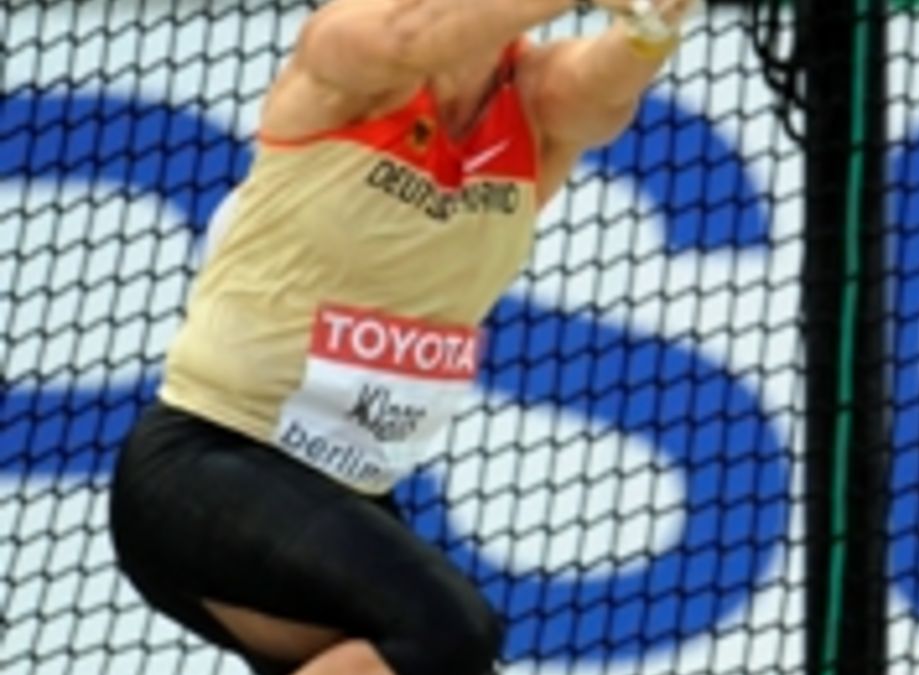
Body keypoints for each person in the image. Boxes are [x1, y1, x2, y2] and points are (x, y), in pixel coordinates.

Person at [107, 0, 696, 674]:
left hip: (346, 490)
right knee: (447, 634)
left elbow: (602, 90)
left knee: (444, 661)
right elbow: (412, 35)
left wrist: (656, 21)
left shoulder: (533, 104)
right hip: (206, 465)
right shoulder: (347, 49)